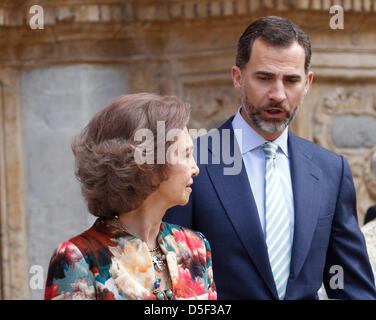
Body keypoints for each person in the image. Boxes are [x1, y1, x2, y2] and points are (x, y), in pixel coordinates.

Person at [164, 16, 376, 299]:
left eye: (291, 80)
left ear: (308, 82)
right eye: (264, 78)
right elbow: (172, 282)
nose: (278, 94)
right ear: (238, 78)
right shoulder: (192, 163)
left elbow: (352, 286)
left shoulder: (331, 170)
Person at [44, 93, 217, 300]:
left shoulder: (195, 247)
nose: (195, 168)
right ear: (149, 166)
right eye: (186, 154)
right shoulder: (78, 258)